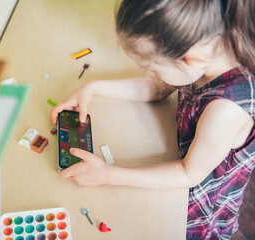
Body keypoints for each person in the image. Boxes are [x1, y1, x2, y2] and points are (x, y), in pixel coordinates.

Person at [51, 0, 255, 239]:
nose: (153, 74)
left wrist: (108, 174)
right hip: (182, 157)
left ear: (192, 59)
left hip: (194, 204)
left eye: (155, 68)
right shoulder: (206, 51)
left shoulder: (226, 110)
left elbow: (188, 173)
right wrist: (92, 88)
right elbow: (158, 88)